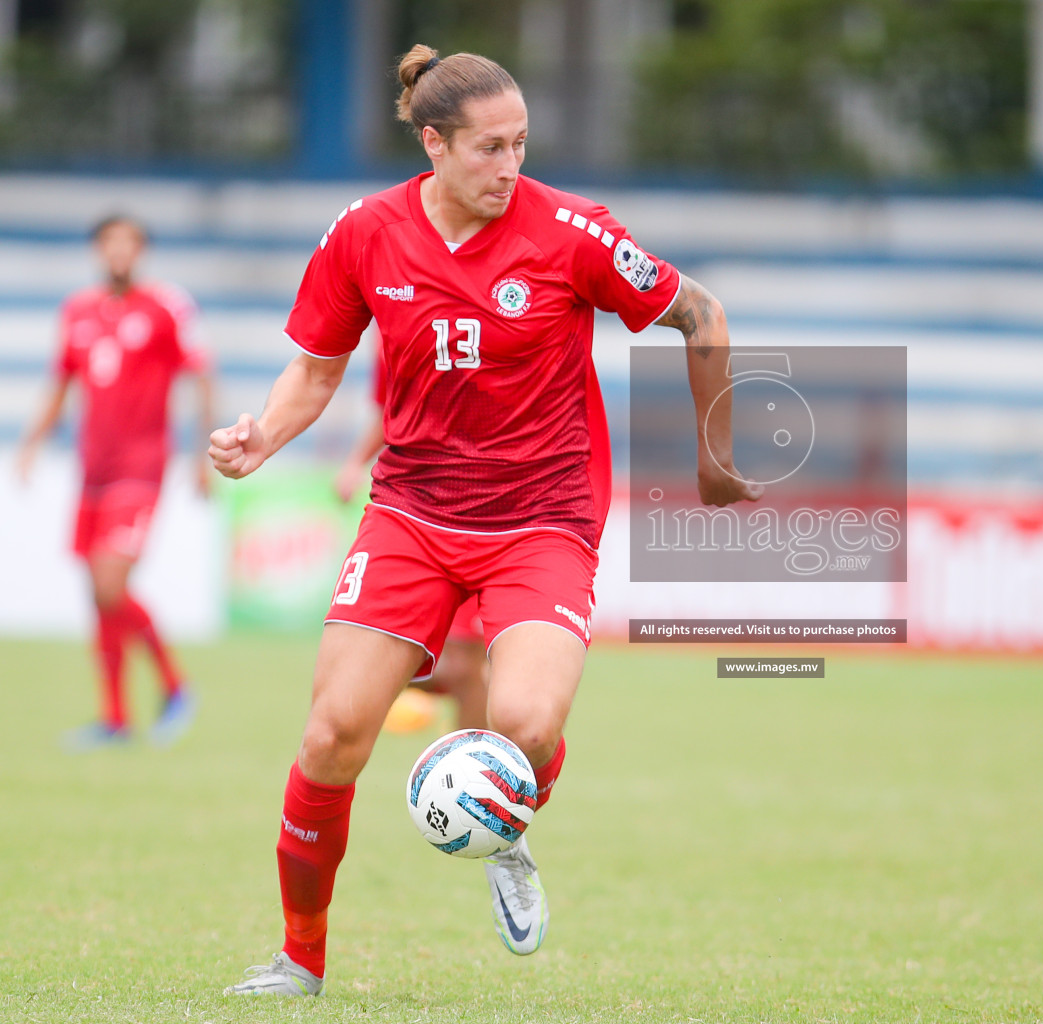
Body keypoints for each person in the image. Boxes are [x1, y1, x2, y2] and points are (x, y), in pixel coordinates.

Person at [213, 45, 759, 997]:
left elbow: (701, 313)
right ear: (433, 143)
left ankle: (508, 830)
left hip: (543, 517)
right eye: (489, 148)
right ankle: (299, 959)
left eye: (520, 144)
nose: (511, 167)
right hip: (413, 511)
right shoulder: (364, 233)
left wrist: (713, 457)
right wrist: (264, 434)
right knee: (331, 737)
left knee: (524, 725)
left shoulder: (573, 233)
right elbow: (316, 367)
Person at [17, 214, 212, 750]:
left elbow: (201, 374)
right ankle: (116, 717)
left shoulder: (167, 306)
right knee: (96, 594)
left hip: (141, 466)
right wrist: (33, 440)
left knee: (110, 585)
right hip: (92, 470)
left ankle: (175, 685)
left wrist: (201, 455)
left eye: (129, 243)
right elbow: (62, 380)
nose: (119, 252)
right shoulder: (78, 311)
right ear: (98, 250)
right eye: (110, 243)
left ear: (141, 250)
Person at [334, 350, 489, 734]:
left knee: (467, 665)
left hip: (488, 510)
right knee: (455, 666)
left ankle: (476, 762)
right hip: (416, 511)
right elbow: (390, 409)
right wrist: (356, 462)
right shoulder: (388, 332)